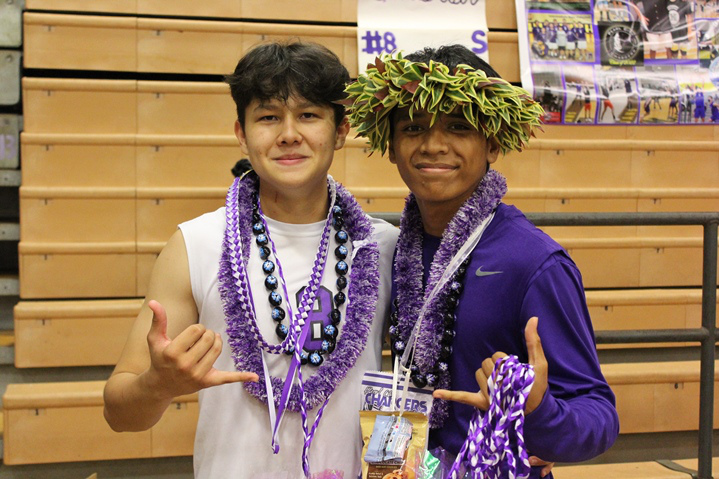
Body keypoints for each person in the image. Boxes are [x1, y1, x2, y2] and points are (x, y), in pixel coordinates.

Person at [103, 41, 398, 478]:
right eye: (268, 117)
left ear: (341, 131)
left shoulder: (382, 247)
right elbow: (119, 413)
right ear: (241, 133)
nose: (289, 134)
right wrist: (158, 385)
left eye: (308, 115)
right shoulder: (196, 244)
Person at [345, 44, 619, 478]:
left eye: (458, 126)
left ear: (491, 144)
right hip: (406, 467)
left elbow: (598, 419)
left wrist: (535, 411)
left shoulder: (534, 262)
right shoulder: (394, 252)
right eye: (413, 128)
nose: (433, 145)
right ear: (392, 146)